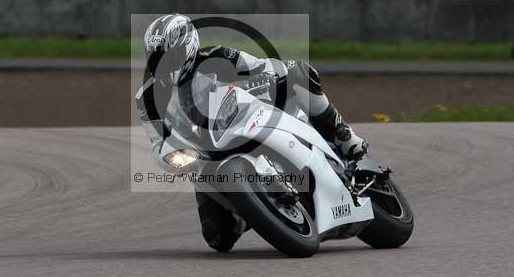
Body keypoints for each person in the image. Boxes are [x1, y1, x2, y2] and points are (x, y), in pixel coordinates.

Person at [135, 14, 367, 252]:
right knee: (217, 238)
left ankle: (342, 132)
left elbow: (260, 66)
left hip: (244, 121)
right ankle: (254, 207)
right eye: (156, 57)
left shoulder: (218, 56)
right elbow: (157, 143)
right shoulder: (147, 99)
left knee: (299, 71)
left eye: (169, 56)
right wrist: (173, 157)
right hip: (203, 157)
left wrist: (268, 76)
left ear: (187, 47)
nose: (162, 63)